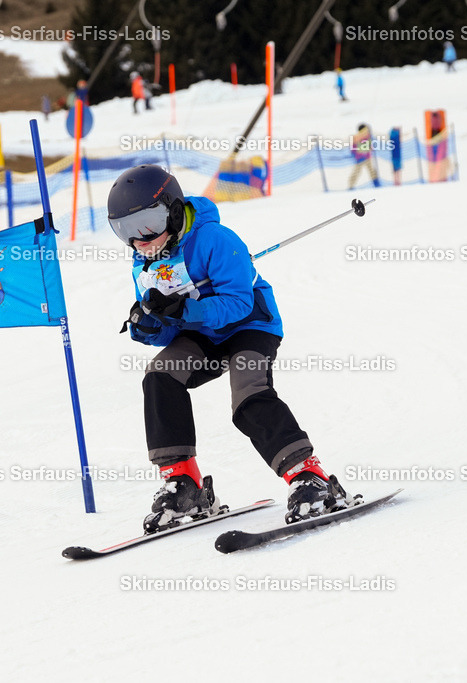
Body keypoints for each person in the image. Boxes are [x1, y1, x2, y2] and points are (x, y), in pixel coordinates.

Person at [108, 165, 357, 533]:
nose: (140, 240)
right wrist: (150, 327)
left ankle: (310, 477)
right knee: (159, 376)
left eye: (147, 224)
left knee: (248, 395)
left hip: (250, 326)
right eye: (125, 231)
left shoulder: (215, 239)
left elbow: (239, 303)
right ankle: (184, 485)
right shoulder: (143, 265)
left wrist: (186, 309)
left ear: (174, 211)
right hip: (204, 336)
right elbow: (164, 332)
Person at [348, 123, 380, 189]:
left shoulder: (366, 136)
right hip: (362, 158)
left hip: (364, 157)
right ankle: (351, 185)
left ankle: (376, 184)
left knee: (370, 171)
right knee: (359, 172)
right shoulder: (361, 137)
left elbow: (353, 149)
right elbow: (353, 148)